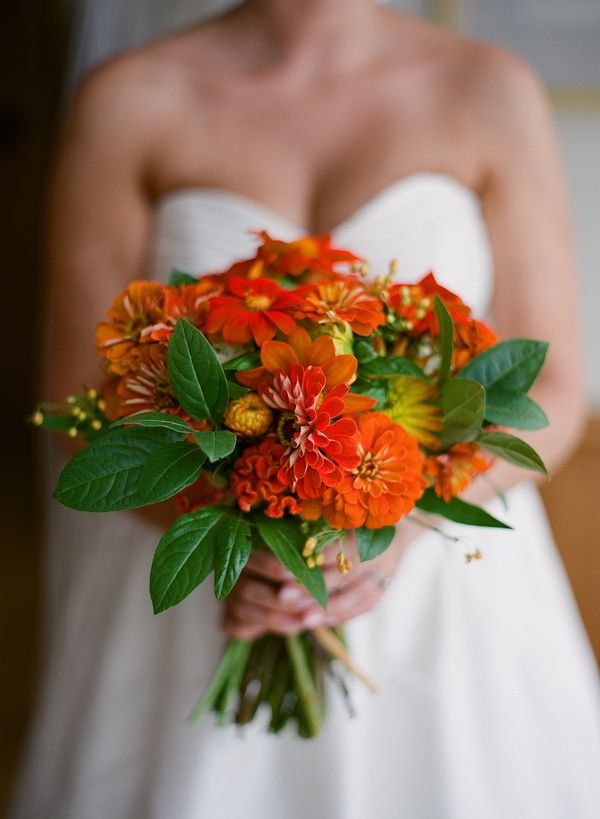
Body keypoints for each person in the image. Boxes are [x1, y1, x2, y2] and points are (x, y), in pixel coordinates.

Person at [12, 1, 600, 817]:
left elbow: (552, 386)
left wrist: (394, 523)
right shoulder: (130, 99)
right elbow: (77, 403)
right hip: (197, 584)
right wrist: (242, 545)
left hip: (439, 588)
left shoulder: (490, 91)